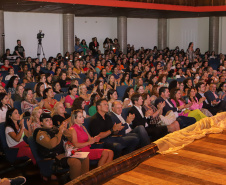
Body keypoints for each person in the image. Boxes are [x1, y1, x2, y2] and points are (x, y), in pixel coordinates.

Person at [34, 113, 89, 180]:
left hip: (64, 153)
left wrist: (64, 129)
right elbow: (51, 145)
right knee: (75, 162)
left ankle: (85, 181)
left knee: (85, 158)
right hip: (54, 158)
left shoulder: (54, 129)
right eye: (46, 120)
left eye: (50, 120)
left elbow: (70, 138)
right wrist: (60, 132)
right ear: (41, 123)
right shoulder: (40, 133)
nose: (50, 122)